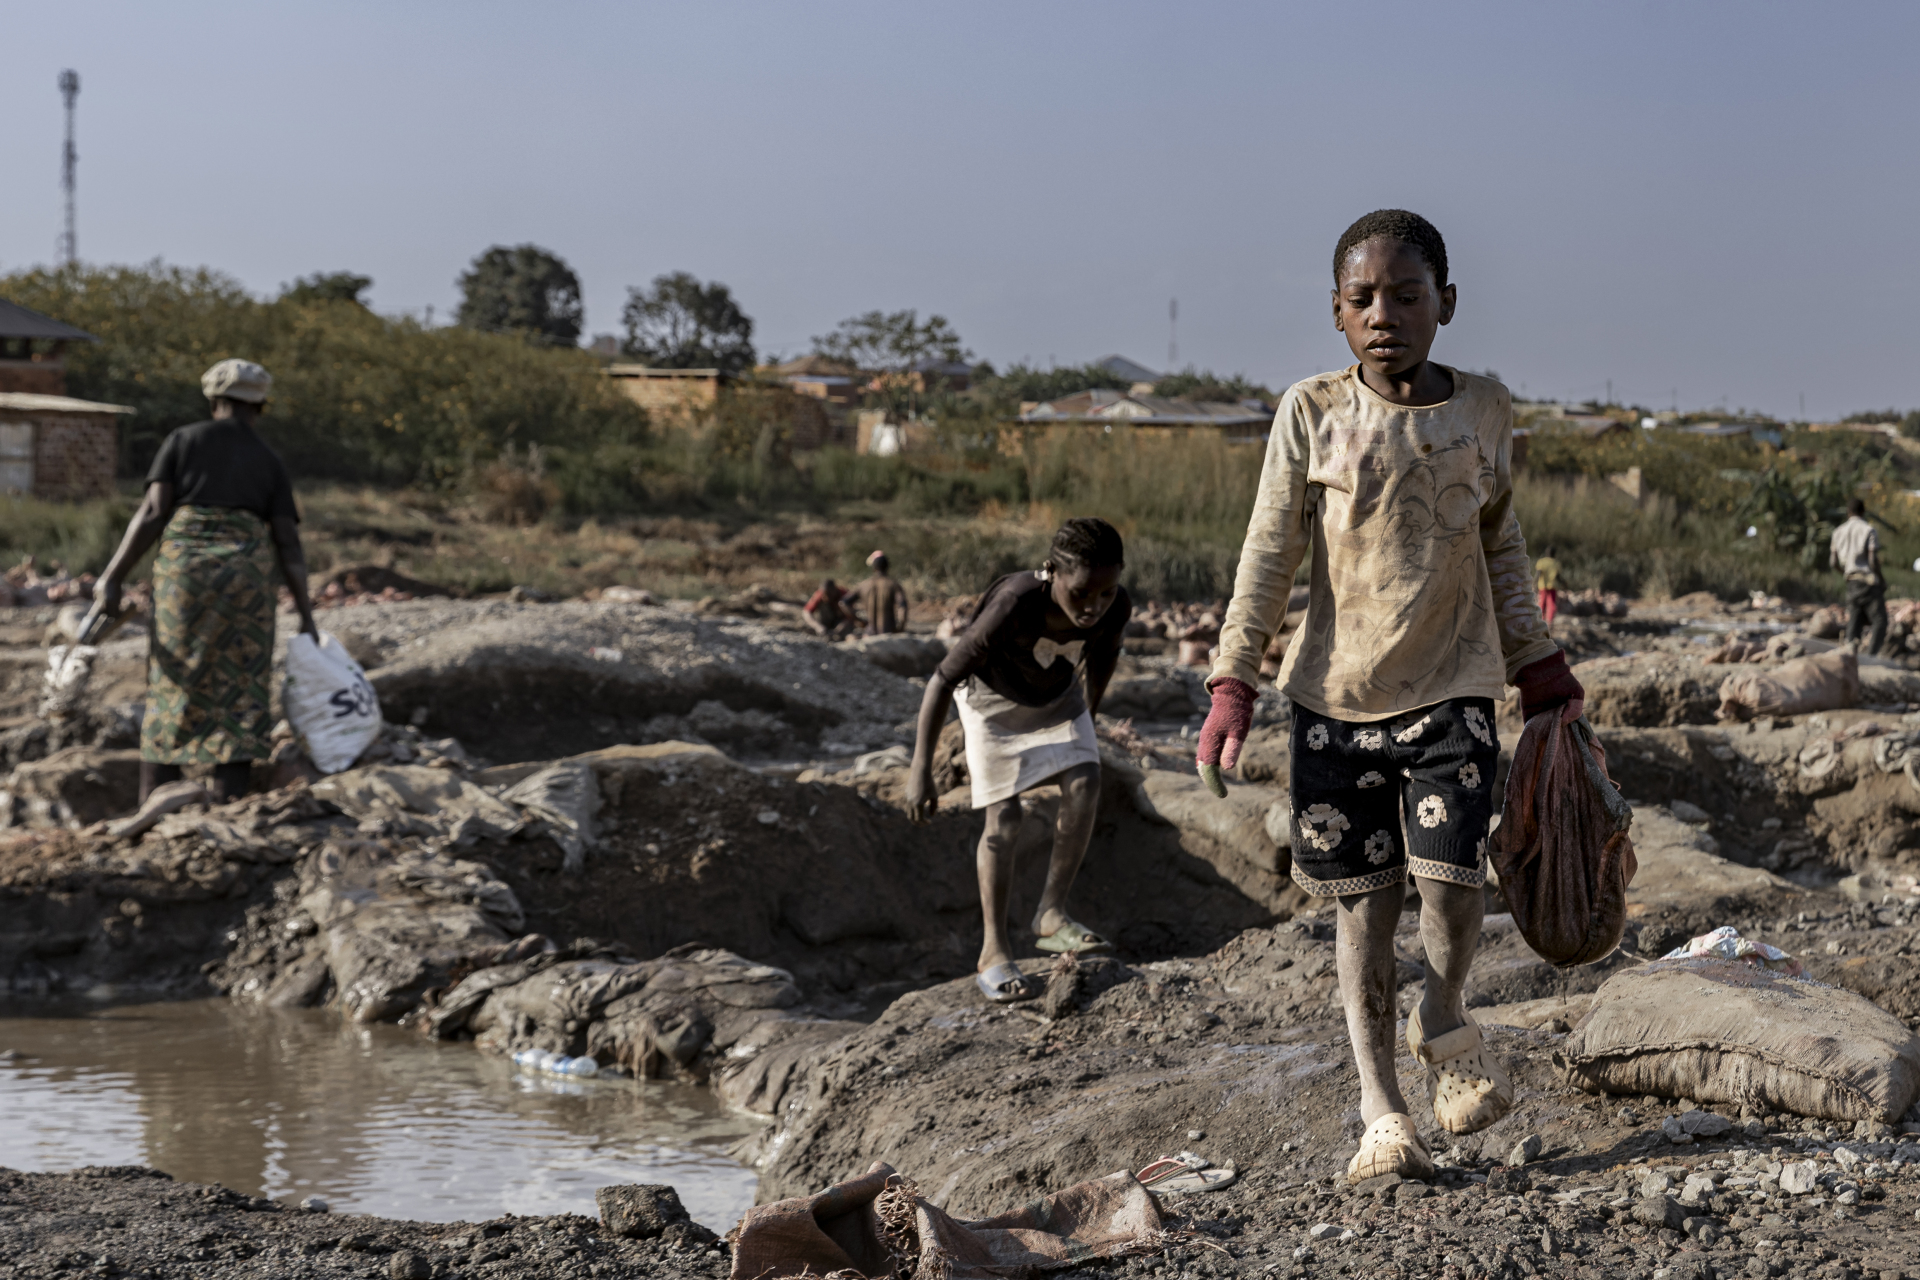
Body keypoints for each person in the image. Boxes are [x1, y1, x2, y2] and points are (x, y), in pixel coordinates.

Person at [1194, 210, 1584, 1184]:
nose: (1384, 315)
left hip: (1453, 687)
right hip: (1333, 703)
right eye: (1362, 298)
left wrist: (1538, 662)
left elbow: (1500, 540)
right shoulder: (1310, 412)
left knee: (1455, 886)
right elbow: (1269, 551)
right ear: (1335, 312)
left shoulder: (1484, 409)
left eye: (1406, 296)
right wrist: (1233, 680)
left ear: (1445, 303)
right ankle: (1383, 1112)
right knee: (1362, 914)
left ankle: (1444, 1011)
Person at [905, 518, 1131, 1003]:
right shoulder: (1013, 603)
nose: (1094, 606)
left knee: (1086, 782)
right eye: (1082, 593)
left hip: (1059, 697)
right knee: (1003, 820)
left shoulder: (1116, 607)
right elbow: (942, 679)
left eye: (1107, 593)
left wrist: (1086, 720)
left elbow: (1105, 660)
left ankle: (1051, 912)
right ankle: (993, 950)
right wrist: (920, 769)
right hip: (990, 703)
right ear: (1052, 572)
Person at [96, 359, 319, 805]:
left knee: (174, 675)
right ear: (261, 405)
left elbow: (154, 513)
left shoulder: (184, 440)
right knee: (242, 681)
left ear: (213, 398)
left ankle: (156, 797)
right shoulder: (269, 460)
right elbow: (288, 544)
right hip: (246, 579)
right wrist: (306, 616)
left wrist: (112, 578)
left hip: (186, 575)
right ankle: (229, 797)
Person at [1830, 497, 1886, 656]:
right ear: (1863, 511)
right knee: (1880, 621)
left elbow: (1833, 562)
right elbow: (1872, 560)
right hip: (1868, 581)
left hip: (1851, 582)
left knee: (1854, 622)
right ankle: (1871, 656)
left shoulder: (1838, 531)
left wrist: (1846, 573)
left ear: (1848, 512)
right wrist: (1881, 580)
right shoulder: (1868, 530)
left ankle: (1850, 656)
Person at [854, 549, 909, 635]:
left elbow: (844, 603)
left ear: (874, 568)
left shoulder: (863, 585)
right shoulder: (893, 584)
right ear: (887, 566)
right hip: (888, 631)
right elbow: (902, 606)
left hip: (870, 632)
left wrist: (860, 621)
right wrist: (901, 627)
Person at [1534, 545, 1561, 625]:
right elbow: (1558, 577)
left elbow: (1538, 574)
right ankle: (1550, 621)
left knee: (1542, 603)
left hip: (1542, 586)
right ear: (1554, 554)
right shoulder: (1556, 563)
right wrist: (1564, 583)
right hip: (1552, 586)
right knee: (1552, 604)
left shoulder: (1541, 562)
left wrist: (1534, 584)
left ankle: (1540, 620)